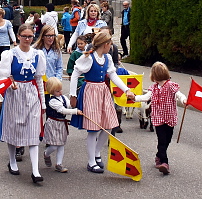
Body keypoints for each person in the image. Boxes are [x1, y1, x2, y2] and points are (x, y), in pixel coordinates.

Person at [69, 30, 135, 174]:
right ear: (105, 44)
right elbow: (75, 74)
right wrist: (73, 94)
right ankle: (91, 161)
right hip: (91, 92)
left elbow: (113, 75)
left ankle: (97, 153)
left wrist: (127, 90)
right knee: (93, 129)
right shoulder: (89, 58)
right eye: (110, 43)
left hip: (103, 92)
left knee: (109, 125)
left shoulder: (107, 58)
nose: (111, 46)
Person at [0, 24, 47, 184]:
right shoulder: (10, 54)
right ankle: (12, 161)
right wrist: (9, 82)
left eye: (30, 36)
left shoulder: (38, 54)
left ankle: (35, 170)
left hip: (31, 94)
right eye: (24, 36)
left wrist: (43, 102)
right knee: (14, 128)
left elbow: (39, 79)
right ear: (18, 37)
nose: (27, 39)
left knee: (33, 130)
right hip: (15, 93)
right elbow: (3, 75)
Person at [131, 62, 186, 175]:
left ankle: (158, 156)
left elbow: (179, 94)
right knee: (162, 140)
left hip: (169, 117)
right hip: (158, 118)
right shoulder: (153, 88)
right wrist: (135, 97)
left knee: (168, 139)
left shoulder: (171, 85)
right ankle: (164, 163)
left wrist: (184, 100)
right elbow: (146, 97)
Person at [42, 77, 80, 173]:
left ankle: (59, 164)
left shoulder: (63, 98)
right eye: (57, 91)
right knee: (54, 145)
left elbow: (69, 105)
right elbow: (62, 110)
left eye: (61, 90)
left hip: (61, 124)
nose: (60, 92)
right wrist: (75, 111)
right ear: (51, 91)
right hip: (53, 124)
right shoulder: (52, 101)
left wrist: (74, 100)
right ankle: (46, 153)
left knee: (61, 144)